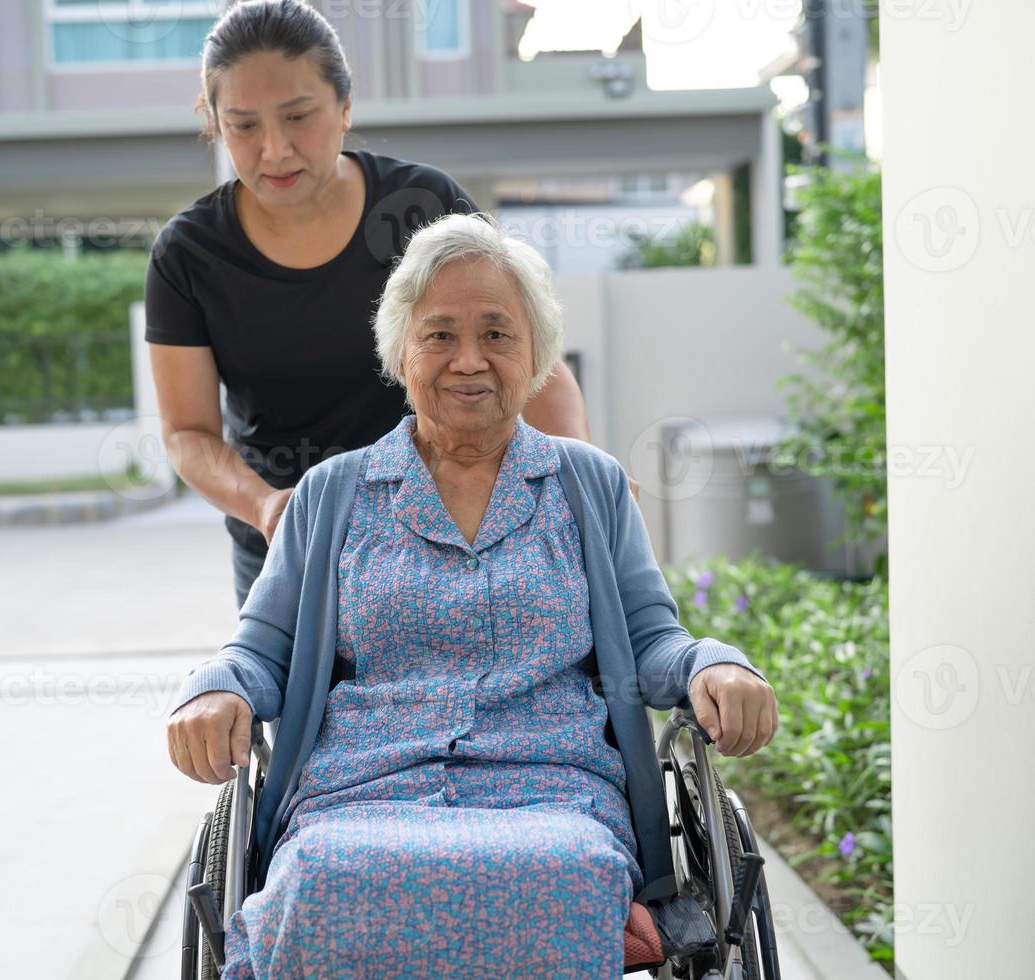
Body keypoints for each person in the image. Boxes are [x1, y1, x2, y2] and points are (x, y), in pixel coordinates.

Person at [165, 213, 779, 976]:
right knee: (322, 875)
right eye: (440, 335)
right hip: (363, 789)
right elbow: (262, 648)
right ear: (400, 350)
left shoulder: (586, 484)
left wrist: (712, 666)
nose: (469, 361)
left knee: (565, 869)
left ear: (536, 355)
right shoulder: (333, 494)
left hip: (553, 792)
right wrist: (216, 689)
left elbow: (652, 635)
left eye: (497, 334)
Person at [145, 0, 593, 608]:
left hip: (451, 529)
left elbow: (529, 361)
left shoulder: (420, 203)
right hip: (291, 549)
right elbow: (188, 432)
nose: (274, 150)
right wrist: (266, 506)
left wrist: (589, 490)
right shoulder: (189, 253)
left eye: (298, 116)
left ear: (345, 106)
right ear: (213, 121)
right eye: (244, 125)